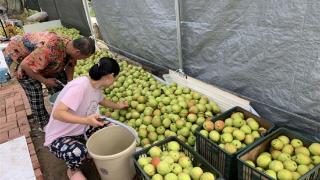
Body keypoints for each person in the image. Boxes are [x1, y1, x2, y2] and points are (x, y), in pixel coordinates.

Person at [44, 57, 128, 180]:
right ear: (110, 76)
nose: (115, 81)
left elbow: (101, 100)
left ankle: (90, 151)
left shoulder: (96, 87)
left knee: (110, 128)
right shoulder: (80, 87)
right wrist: (86, 120)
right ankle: (73, 170)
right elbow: (58, 113)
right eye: (115, 78)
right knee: (78, 152)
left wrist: (118, 106)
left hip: (81, 129)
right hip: (60, 136)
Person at [3, 31, 95, 129]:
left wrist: (69, 83)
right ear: (77, 52)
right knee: (35, 91)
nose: (83, 60)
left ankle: (63, 115)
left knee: (60, 86)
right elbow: (25, 65)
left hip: (40, 57)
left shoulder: (71, 46)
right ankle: (43, 124)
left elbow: (70, 64)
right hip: (18, 57)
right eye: (84, 58)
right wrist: (44, 81)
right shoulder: (49, 50)